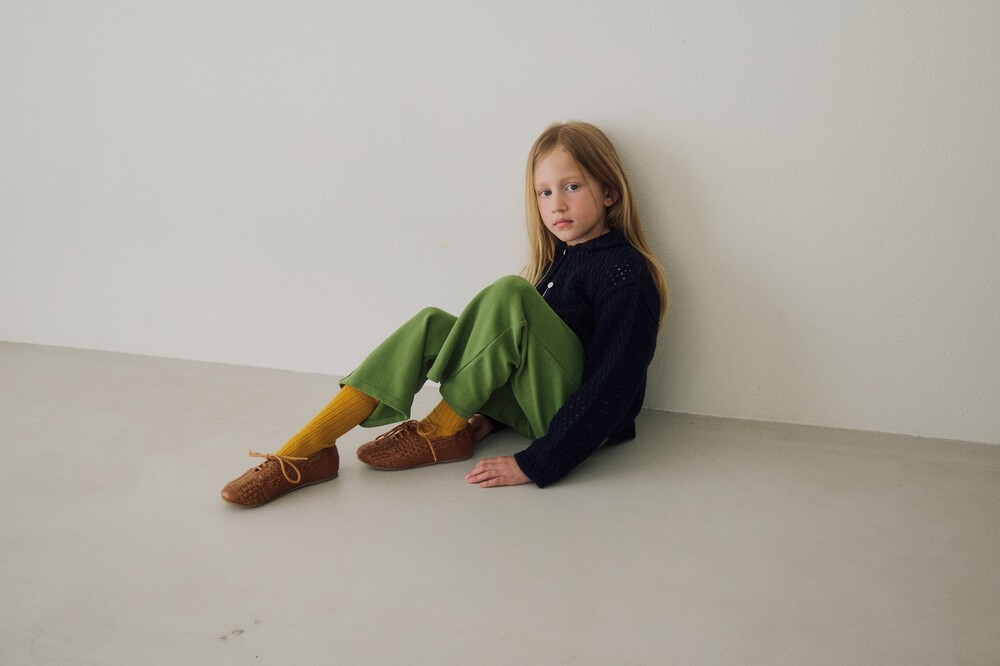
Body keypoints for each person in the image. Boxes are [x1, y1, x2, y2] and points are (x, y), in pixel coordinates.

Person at [220, 121, 668, 507]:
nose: (557, 204)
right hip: (541, 408)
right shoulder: (559, 261)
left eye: (572, 187)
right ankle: (308, 450)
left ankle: (440, 429)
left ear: (609, 192)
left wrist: (537, 462)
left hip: (585, 426)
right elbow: (530, 361)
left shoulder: (624, 273)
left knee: (510, 295)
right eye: (544, 192)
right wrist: (493, 417)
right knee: (432, 323)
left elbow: (615, 383)